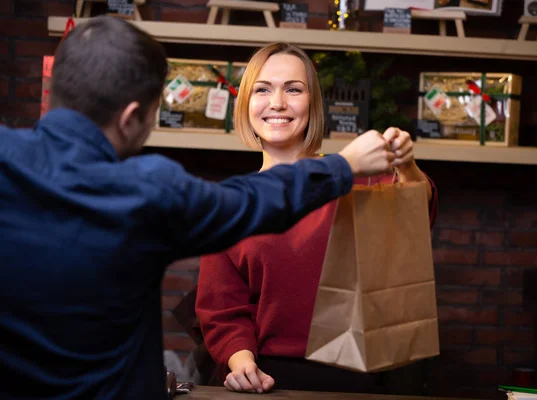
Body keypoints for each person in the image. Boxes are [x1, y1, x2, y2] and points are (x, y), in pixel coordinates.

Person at [0, 18, 407, 400]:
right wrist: (345, 165)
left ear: (55, 90)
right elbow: (249, 203)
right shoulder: (149, 190)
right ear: (133, 117)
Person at [195, 42, 439, 395]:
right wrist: (241, 362)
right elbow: (223, 311)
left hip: (361, 375)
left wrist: (407, 166)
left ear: (313, 103)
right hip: (269, 379)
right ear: (245, 102)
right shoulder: (232, 204)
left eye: (293, 89)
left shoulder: (358, 177)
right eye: (263, 89)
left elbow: (418, 214)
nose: (277, 102)